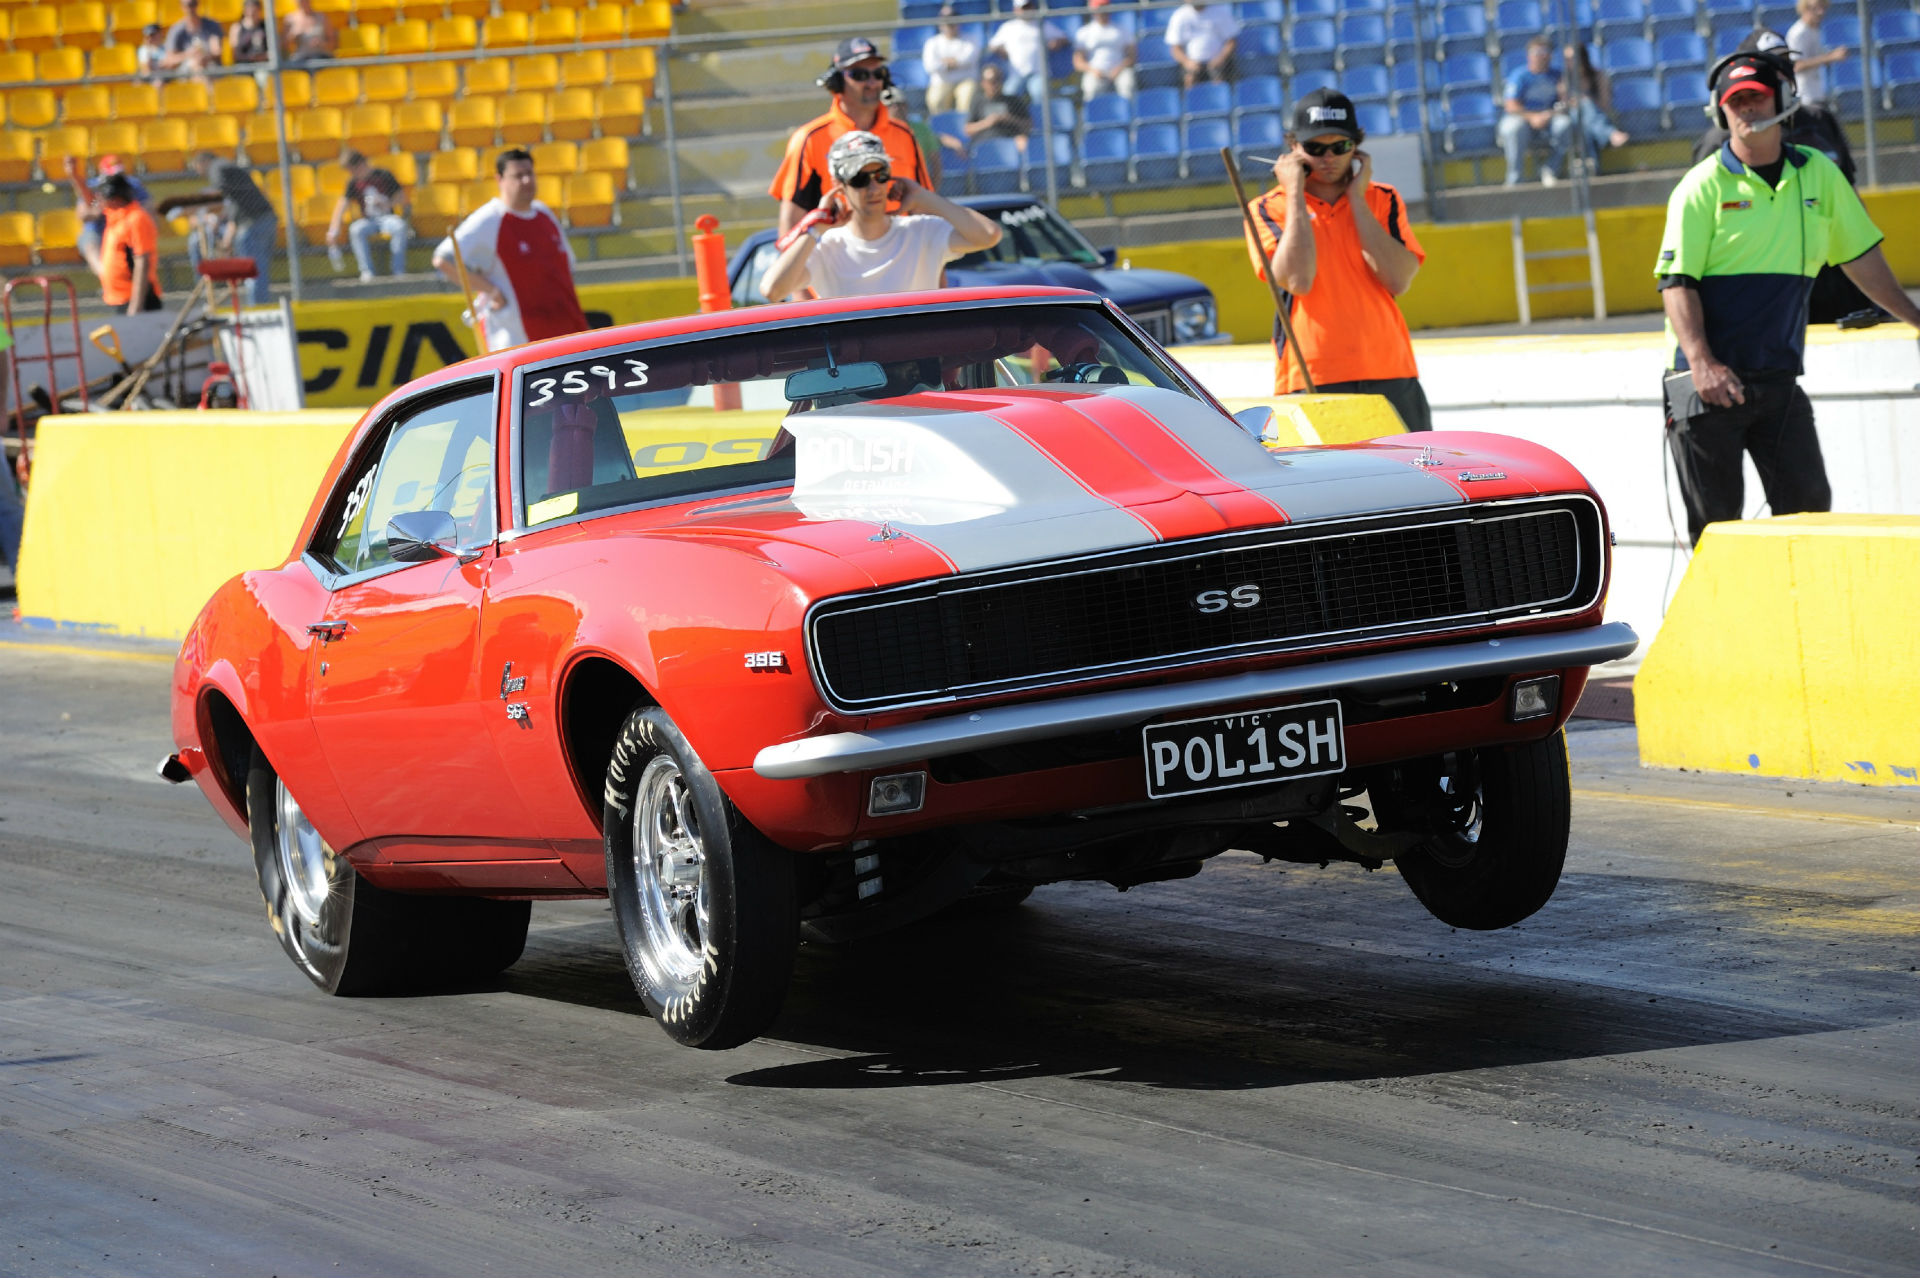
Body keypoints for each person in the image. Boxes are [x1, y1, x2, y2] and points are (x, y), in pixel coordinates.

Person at [1654, 50, 1920, 545]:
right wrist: (1703, 364)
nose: (1747, 110)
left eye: (1755, 98)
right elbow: (1677, 283)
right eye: (1736, 103)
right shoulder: (1699, 187)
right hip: (1706, 385)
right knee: (1717, 534)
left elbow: (1858, 257)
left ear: (1784, 101)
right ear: (1720, 112)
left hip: (1777, 378)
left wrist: (1915, 318)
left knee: (1810, 513)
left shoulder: (1819, 173)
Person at [1242, 89, 1431, 430]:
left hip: (1390, 369)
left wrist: (1357, 199)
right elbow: (1297, 280)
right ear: (1294, 148)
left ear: (1356, 147)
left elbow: (1398, 279)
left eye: (1340, 146)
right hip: (1311, 374)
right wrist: (1296, 192)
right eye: (1315, 148)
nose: (1328, 157)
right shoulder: (1268, 208)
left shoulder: (1383, 199)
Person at [758, 130, 1000, 303]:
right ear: (838, 185)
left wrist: (922, 197)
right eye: (860, 179)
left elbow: (989, 235)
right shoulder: (828, 247)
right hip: (856, 372)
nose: (873, 188)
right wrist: (816, 229)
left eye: (880, 175)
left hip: (918, 370)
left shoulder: (921, 231)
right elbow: (772, 290)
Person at [770, 36, 935, 239]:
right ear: (837, 81)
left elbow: (925, 206)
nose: (872, 82)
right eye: (860, 74)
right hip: (836, 263)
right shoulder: (810, 139)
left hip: (899, 261)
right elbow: (791, 221)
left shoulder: (904, 135)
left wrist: (936, 268)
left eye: (878, 73)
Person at [433, 148, 588, 351]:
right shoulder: (490, 219)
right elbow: (443, 259)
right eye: (518, 176)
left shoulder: (544, 213)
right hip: (519, 343)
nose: (526, 181)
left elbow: (568, 267)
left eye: (529, 174)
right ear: (500, 180)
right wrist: (492, 291)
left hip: (566, 333)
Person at [186, 151, 277, 304]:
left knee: (254, 271)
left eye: (197, 167)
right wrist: (228, 237)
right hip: (264, 219)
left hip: (253, 223)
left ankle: (258, 309)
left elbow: (221, 199)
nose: (198, 172)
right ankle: (260, 304)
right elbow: (234, 204)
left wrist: (197, 210)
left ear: (204, 162)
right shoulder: (229, 169)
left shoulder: (217, 168)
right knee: (258, 269)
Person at [1547, 42, 1630, 179]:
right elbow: (1564, 105)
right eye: (1566, 59)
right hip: (1573, 117)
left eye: (1572, 58)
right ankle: (1609, 134)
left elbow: (1605, 105)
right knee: (1582, 113)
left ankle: (1592, 167)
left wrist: (1586, 101)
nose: (1568, 62)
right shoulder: (1564, 81)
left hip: (1597, 116)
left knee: (1586, 119)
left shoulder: (1598, 77)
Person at [328, 151, 412, 281]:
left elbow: (402, 198)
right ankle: (367, 272)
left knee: (400, 226)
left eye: (353, 170)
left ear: (361, 165)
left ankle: (398, 270)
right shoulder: (353, 182)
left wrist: (387, 203)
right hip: (368, 221)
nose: (352, 174)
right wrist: (333, 229)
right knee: (356, 229)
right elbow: (342, 206)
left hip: (387, 218)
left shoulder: (384, 175)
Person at [68, 155, 151, 278]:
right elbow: (84, 213)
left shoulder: (132, 185)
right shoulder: (95, 188)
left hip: (124, 231)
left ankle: (126, 279)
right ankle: (107, 277)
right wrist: (99, 209)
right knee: (90, 245)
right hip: (97, 232)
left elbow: (148, 210)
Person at [1499, 36, 1562, 185]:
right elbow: (1510, 106)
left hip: (1549, 118)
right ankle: (1515, 179)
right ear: (1529, 55)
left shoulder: (1558, 75)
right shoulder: (1519, 76)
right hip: (1522, 117)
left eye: (1544, 51)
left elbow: (1566, 102)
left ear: (1550, 55)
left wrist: (1549, 114)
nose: (1540, 55)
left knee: (1565, 125)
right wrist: (1533, 117)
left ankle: (1550, 169)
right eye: (1536, 52)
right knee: (1512, 129)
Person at [98, 174, 163, 316]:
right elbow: (88, 202)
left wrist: (136, 307)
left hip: (139, 303)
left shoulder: (136, 219)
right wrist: (75, 177)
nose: (98, 200)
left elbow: (142, 262)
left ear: (114, 198)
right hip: (122, 300)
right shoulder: (116, 217)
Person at [987, 0, 1068, 105]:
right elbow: (991, 46)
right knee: (1009, 94)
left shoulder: (1041, 24)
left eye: (1029, 7)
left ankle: (1041, 120)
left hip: (1039, 73)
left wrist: (1057, 42)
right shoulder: (1008, 27)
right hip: (1016, 74)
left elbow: (1064, 38)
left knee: (1039, 92)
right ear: (1016, 10)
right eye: (1024, 8)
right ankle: (1014, 121)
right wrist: (1000, 50)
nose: (1027, 10)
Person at [1164, 3, 1241, 89]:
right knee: (1189, 78)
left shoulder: (1220, 11)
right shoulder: (1179, 15)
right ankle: (1191, 99)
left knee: (1218, 79)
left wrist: (1220, 59)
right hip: (1192, 62)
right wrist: (1187, 62)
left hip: (1218, 62)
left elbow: (1231, 42)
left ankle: (1220, 99)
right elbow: (1175, 49)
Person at [1074, 0, 1137, 102]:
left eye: (1105, 7)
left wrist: (1118, 68)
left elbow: (1132, 56)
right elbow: (1078, 62)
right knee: (1090, 87)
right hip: (1095, 71)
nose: (1102, 11)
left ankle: (1129, 115)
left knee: (1127, 84)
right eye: (1099, 8)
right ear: (1093, 10)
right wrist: (1093, 70)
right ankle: (1093, 116)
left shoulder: (1122, 29)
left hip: (1120, 70)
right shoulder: (1084, 32)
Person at [1786, 0, 1847, 105]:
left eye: (1823, 8)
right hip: (1804, 96)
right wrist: (1830, 57)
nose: (1821, 12)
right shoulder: (1798, 33)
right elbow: (1797, 66)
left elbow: (1815, 57)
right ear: (1804, 9)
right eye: (1815, 8)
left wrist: (1830, 56)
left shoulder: (1815, 30)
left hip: (1817, 92)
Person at [922, 5, 980, 116]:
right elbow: (930, 66)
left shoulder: (970, 39)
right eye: (945, 21)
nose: (949, 24)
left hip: (965, 80)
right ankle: (942, 131)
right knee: (936, 100)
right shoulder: (932, 42)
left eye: (952, 20)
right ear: (940, 23)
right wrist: (955, 62)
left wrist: (944, 63)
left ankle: (962, 130)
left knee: (967, 98)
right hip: (941, 82)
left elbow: (970, 59)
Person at [964, 62, 1031, 151]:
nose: (995, 84)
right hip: (984, 143)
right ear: (983, 83)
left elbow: (1028, 125)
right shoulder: (977, 101)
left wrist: (1009, 119)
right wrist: (988, 122)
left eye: (998, 80)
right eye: (991, 81)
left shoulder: (1013, 100)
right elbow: (968, 130)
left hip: (1009, 141)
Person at [161, 0, 223, 80]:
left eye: (193, 4)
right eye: (187, 5)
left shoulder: (211, 25)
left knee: (201, 68)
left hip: (210, 65)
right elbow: (169, 60)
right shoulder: (176, 30)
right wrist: (189, 55)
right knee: (195, 66)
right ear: (181, 6)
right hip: (187, 70)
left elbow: (216, 51)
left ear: (198, 4)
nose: (190, 8)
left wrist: (204, 57)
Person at [228, 0, 269, 65]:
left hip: (264, 66)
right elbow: (235, 54)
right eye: (249, 10)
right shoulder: (236, 28)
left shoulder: (267, 26)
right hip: (244, 66)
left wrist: (263, 56)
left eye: (254, 10)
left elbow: (273, 51)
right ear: (244, 11)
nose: (252, 13)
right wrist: (251, 57)